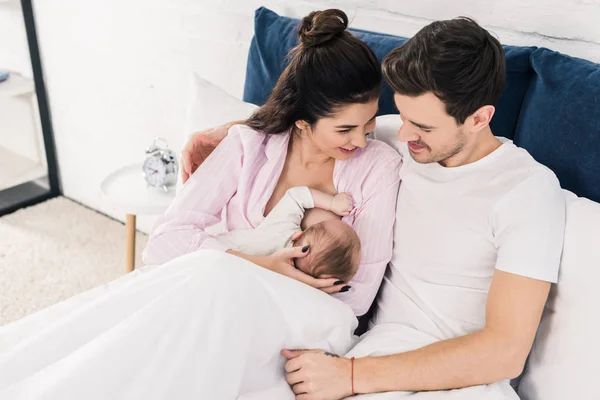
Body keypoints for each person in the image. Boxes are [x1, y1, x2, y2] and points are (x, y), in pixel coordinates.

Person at [183, 17, 565, 400]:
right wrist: (230, 131)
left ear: (480, 118)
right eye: (401, 116)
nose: (402, 133)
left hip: (458, 381)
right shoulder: (403, 144)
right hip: (369, 350)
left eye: (421, 126)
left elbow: (505, 352)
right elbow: (314, 123)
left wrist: (350, 376)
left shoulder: (526, 190)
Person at [143, 8, 402, 317]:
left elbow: (357, 297)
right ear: (303, 120)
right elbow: (163, 241)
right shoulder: (246, 146)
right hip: (209, 298)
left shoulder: (378, 168)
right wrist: (261, 267)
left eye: (369, 123)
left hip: (294, 325)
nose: (361, 141)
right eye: (345, 129)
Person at [214, 186, 361, 282]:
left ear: (299, 235)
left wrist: (332, 203)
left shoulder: (281, 231)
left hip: (215, 251)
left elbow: (295, 196)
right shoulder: (291, 287)